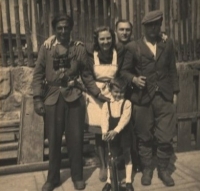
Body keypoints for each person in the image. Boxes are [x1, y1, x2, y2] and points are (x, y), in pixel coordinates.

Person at [32, 13, 93, 191]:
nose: (63, 31)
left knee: (76, 139)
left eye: (66, 27)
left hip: (74, 97)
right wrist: (37, 98)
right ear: (55, 30)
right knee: (54, 141)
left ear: (71, 28)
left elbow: (88, 71)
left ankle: (78, 176)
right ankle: (52, 179)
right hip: (52, 98)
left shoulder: (78, 48)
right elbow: (37, 75)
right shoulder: (47, 48)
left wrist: (95, 93)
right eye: (59, 28)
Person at [120, 10, 179, 187]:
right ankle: (147, 169)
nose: (153, 28)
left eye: (156, 25)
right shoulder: (133, 47)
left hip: (164, 97)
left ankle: (163, 170)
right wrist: (134, 79)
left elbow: (172, 70)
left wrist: (175, 93)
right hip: (142, 99)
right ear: (143, 27)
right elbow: (123, 71)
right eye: (149, 25)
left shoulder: (167, 44)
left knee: (165, 137)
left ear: (160, 26)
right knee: (144, 136)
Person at [83, 26, 125, 182]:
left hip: (114, 93)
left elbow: (122, 72)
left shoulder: (118, 53)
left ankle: (114, 162)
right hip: (96, 96)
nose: (106, 42)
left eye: (108, 38)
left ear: (112, 39)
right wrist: (98, 94)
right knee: (100, 133)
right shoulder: (90, 54)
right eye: (102, 39)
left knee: (114, 128)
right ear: (97, 40)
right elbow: (86, 76)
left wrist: (117, 89)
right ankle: (102, 165)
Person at [101, 77, 134, 191]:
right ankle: (109, 181)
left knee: (126, 154)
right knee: (111, 156)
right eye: (116, 92)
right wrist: (105, 132)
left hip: (123, 132)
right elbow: (104, 120)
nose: (118, 95)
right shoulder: (106, 105)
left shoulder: (127, 103)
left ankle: (128, 181)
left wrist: (116, 130)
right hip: (111, 133)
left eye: (121, 92)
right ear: (110, 90)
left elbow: (125, 119)